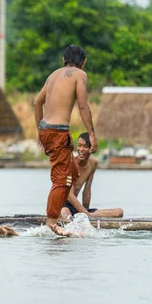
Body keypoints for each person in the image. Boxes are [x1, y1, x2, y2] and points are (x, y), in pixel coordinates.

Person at [32, 45, 98, 237]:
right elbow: (84, 106)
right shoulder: (79, 75)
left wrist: (40, 129)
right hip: (58, 132)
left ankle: (60, 215)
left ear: (63, 60)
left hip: (46, 128)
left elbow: (37, 102)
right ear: (83, 63)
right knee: (61, 179)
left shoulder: (53, 75)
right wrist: (91, 134)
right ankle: (51, 222)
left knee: (73, 171)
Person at [60, 132, 124, 220]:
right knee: (64, 211)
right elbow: (69, 195)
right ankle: (77, 217)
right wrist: (85, 213)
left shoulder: (93, 163)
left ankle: (81, 217)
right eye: (79, 145)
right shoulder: (70, 164)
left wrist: (86, 212)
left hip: (79, 209)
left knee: (119, 212)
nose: (81, 149)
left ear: (91, 148)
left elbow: (87, 190)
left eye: (85, 146)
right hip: (63, 206)